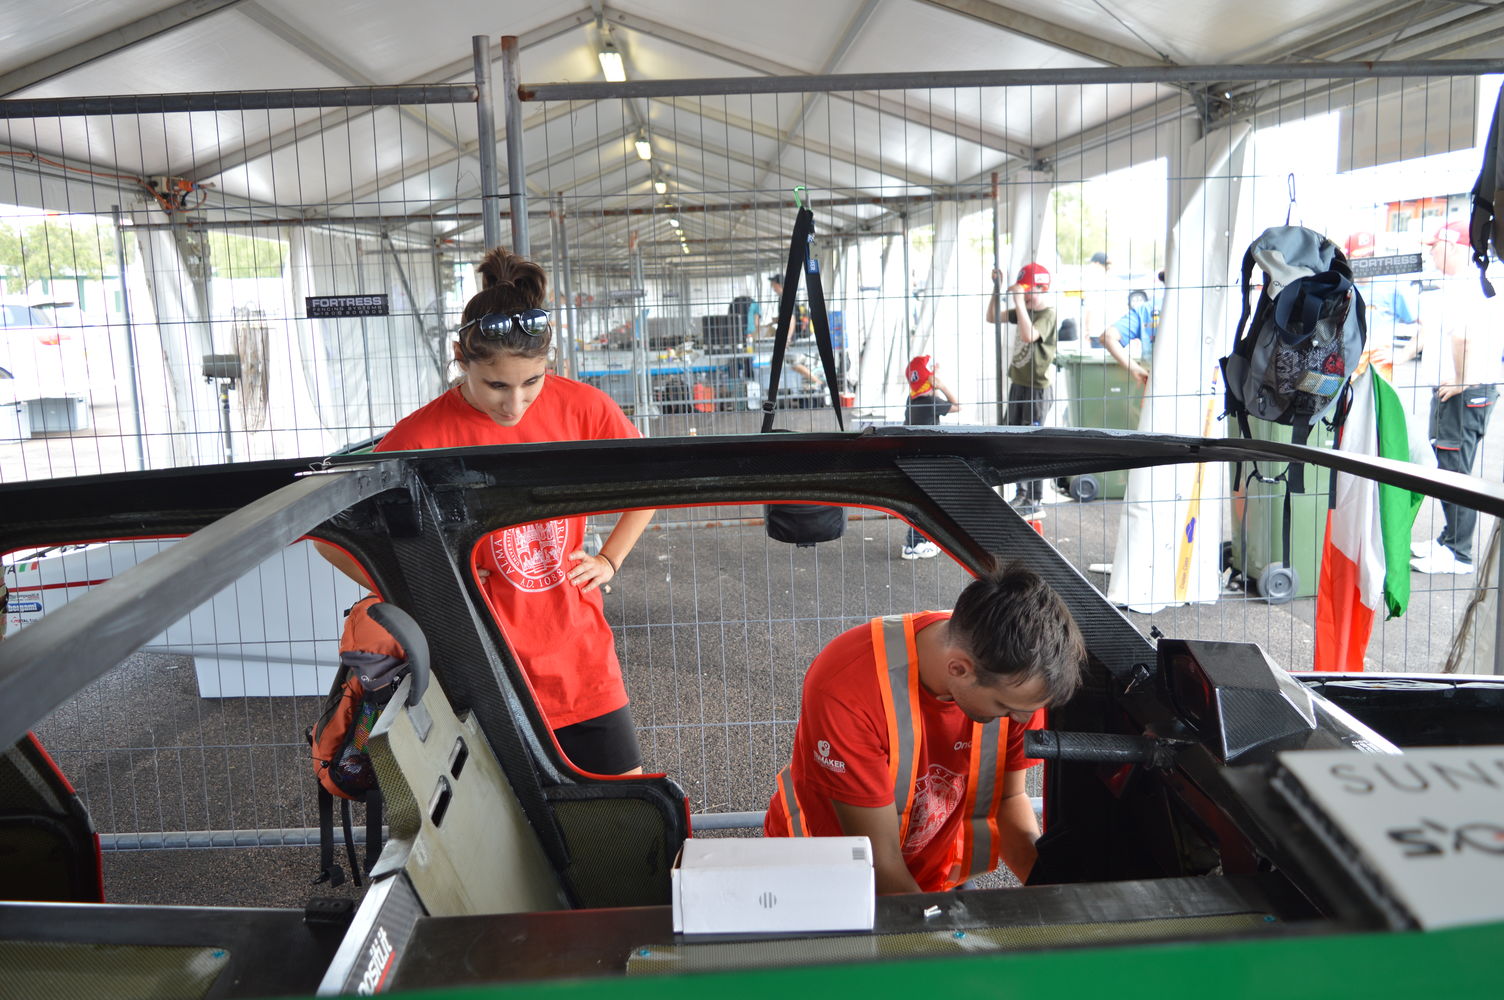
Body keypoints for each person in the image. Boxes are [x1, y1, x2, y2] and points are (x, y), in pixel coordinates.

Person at [319, 247, 656, 775]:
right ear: (460, 357)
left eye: (532, 382)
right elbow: (329, 538)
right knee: (510, 824)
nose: (515, 404)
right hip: (479, 667)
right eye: (496, 385)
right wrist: (429, 581)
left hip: (580, 659)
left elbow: (648, 483)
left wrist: (610, 559)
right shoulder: (419, 437)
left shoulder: (584, 407)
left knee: (623, 803)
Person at [764, 565, 1085, 894]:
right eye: (1005, 708)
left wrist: (1052, 898)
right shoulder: (847, 691)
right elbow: (880, 861)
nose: (1021, 721)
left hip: (927, 878)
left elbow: (1008, 799)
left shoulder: (1016, 677)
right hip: (823, 877)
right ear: (958, 669)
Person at [1410, 222, 1502, 576]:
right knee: (1450, 468)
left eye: (1434, 246)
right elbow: (1435, 334)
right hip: (1460, 388)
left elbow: (1462, 337)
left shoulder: (1468, 286)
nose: (1430, 253)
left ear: (1453, 246)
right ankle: (1450, 540)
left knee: (1455, 472)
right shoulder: (1464, 283)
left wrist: (1463, 380)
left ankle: (1459, 554)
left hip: (1464, 391)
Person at [986, 263, 1059, 516]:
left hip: (1037, 389)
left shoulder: (1047, 314)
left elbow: (1029, 336)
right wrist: (997, 289)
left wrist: (1018, 300)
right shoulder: (1024, 310)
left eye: (1029, 291)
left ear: (1042, 288)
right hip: (1019, 384)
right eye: (1023, 291)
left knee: (1033, 441)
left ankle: (1035, 499)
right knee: (1015, 438)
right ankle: (1022, 493)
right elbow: (992, 317)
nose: (1026, 296)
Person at [897, 355, 959, 559]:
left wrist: (933, 377)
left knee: (922, 500)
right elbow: (957, 405)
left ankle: (919, 541)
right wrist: (941, 386)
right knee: (928, 501)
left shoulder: (913, 400)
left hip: (914, 457)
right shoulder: (932, 401)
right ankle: (914, 544)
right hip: (929, 460)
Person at [1098, 277, 1162, 387]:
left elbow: (1108, 337)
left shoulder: (1146, 309)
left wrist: (1135, 368)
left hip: (1156, 381)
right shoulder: (1196, 306)